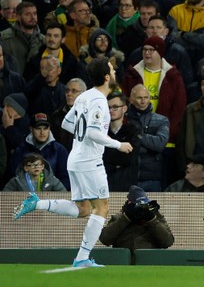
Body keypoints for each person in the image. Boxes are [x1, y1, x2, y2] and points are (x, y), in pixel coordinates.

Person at [12, 57, 134, 268]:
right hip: (89, 160)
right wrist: (118, 144)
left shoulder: (84, 96)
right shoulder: (98, 101)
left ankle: (37, 203)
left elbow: (68, 123)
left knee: (84, 209)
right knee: (102, 207)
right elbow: (94, 132)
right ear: (106, 77)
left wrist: (82, 134)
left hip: (76, 159)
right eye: (112, 70)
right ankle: (82, 258)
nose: (114, 72)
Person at [99, 185, 174, 253]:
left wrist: (152, 220)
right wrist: (126, 218)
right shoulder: (119, 218)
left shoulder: (156, 217)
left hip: (149, 262)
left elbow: (167, 242)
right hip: (124, 263)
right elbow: (105, 240)